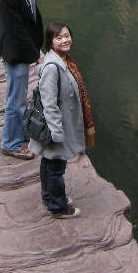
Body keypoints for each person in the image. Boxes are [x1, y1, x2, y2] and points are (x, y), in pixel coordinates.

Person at [29, 22, 93, 218]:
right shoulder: (52, 67)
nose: (65, 40)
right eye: (59, 37)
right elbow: (49, 103)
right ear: (50, 42)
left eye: (67, 35)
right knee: (56, 166)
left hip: (59, 124)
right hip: (55, 127)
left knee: (49, 163)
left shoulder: (63, 60)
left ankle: (49, 197)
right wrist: (57, 132)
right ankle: (58, 207)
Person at [0, 0, 44, 160]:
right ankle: (11, 143)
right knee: (16, 99)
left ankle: (20, 133)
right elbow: (15, 29)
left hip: (21, 46)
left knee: (19, 96)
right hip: (15, 51)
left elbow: (31, 12)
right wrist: (35, 54)